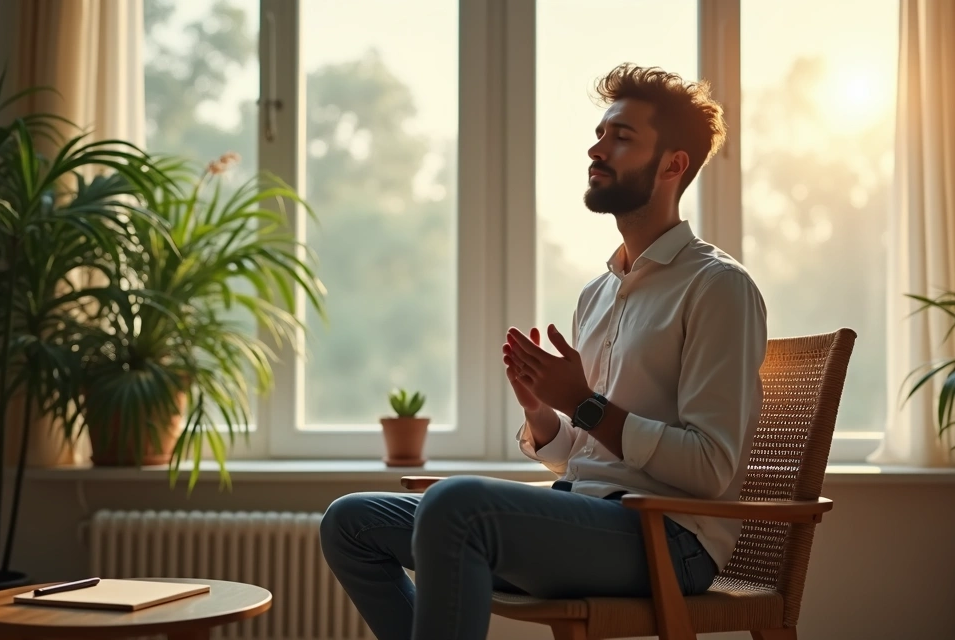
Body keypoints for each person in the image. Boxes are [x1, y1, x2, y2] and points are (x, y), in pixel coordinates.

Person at [319, 63, 768, 640]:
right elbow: (580, 456)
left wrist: (583, 403)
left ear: (673, 165)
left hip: (667, 541)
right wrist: (543, 412)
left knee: (457, 505)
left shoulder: (716, 286)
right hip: (588, 513)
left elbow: (710, 468)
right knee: (350, 521)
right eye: (601, 133)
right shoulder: (597, 293)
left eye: (621, 137)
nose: (596, 148)